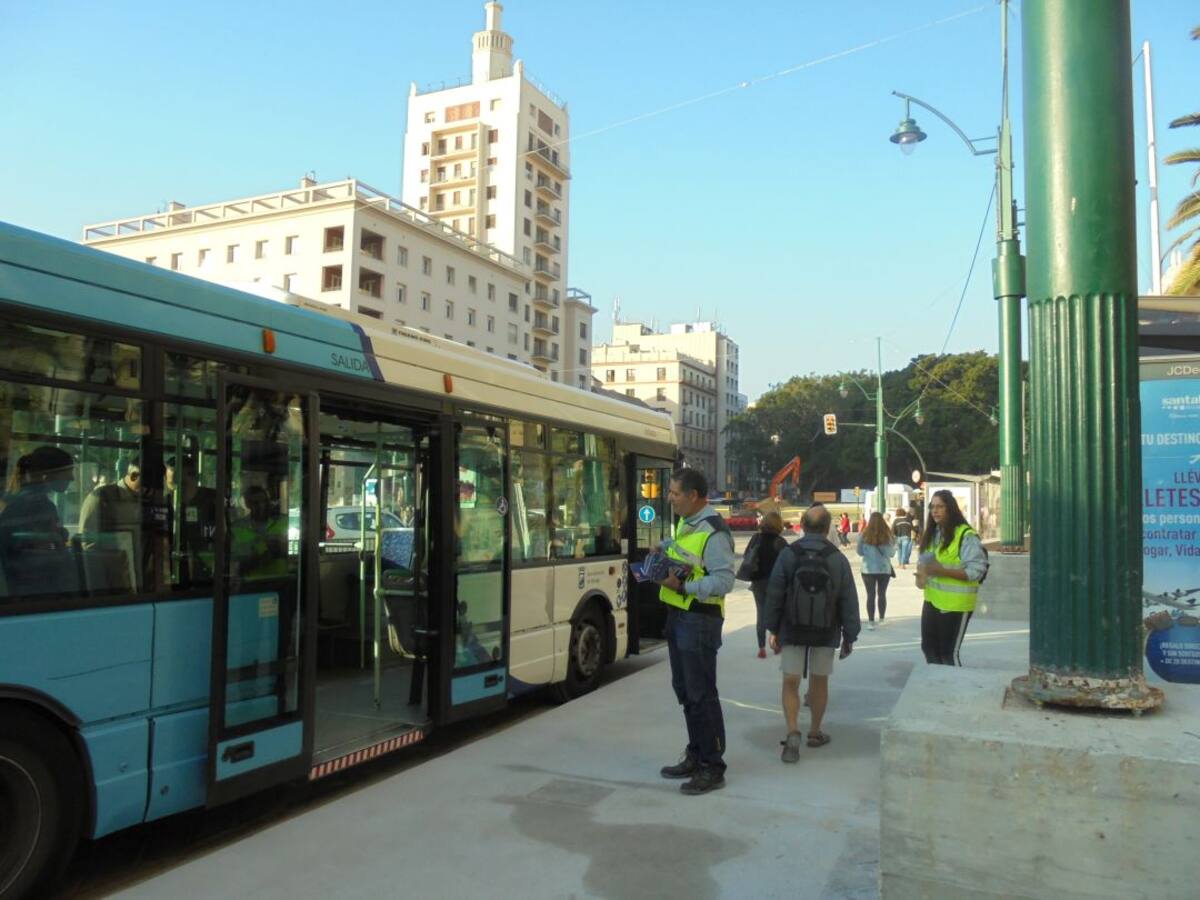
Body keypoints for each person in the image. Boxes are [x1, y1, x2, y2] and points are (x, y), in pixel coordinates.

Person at [655, 468, 735, 796]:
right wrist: (662, 550)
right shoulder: (687, 523)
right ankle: (697, 753)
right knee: (686, 690)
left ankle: (712, 766)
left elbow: (724, 580)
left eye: (675, 493)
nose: (669, 498)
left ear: (693, 496)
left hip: (699, 620)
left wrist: (685, 587)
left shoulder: (713, 531)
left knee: (701, 694)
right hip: (679, 616)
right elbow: (685, 553)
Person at [764, 504, 860, 763]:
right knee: (819, 682)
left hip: (792, 628)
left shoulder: (789, 554)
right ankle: (815, 732)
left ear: (803, 526)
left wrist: (772, 628)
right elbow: (848, 598)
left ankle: (792, 731)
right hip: (826, 630)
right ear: (828, 528)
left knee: (790, 681)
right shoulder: (837, 558)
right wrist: (850, 634)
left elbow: (775, 593)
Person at [916, 490, 989, 665]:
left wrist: (942, 571)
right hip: (932, 601)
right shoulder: (932, 535)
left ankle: (954, 683)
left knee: (948, 653)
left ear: (950, 509)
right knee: (929, 648)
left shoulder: (965, 535)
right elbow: (925, 568)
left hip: (956, 605)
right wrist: (921, 576)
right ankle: (937, 681)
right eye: (932, 507)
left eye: (940, 506)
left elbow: (976, 571)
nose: (935, 511)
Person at [0, 446, 75, 595]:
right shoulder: (35, 505)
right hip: (33, 588)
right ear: (47, 475)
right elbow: (38, 550)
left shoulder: (23, 501)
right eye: (67, 471)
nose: (72, 478)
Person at [742, 510, 789, 659]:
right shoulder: (781, 542)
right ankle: (776, 643)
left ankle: (761, 648)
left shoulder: (756, 538)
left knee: (761, 613)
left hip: (758, 581)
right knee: (777, 611)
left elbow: (746, 555)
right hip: (776, 582)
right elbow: (788, 563)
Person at [231, 484, 290, 580]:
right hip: (251, 582)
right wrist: (261, 553)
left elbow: (294, 553)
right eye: (256, 503)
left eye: (265, 501)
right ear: (247, 504)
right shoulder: (238, 527)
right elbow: (235, 560)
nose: (262, 506)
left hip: (280, 580)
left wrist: (280, 548)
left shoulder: (283, 521)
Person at [856, 511, 896, 629]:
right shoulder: (887, 535)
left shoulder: (864, 535)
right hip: (884, 569)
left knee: (870, 594)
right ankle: (882, 618)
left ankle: (871, 621)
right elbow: (891, 554)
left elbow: (859, 552)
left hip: (868, 569)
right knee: (882, 593)